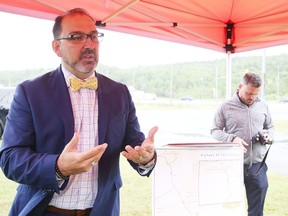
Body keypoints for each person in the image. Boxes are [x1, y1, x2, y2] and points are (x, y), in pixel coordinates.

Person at [0, 8, 158, 216]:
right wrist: (57, 167)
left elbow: (134, 144)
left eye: (93, 36)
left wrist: (146, 157)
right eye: (76, 37)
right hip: (44, 210)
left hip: (101, 211)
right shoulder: (30, 92)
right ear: (57, 47)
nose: (89, 44)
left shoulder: (119, 92)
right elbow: (11, 159)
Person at [211, 72, 274, 216]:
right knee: (230, 208)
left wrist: (269, 136)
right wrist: (231, 138)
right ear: (240, 86)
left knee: (257, 211)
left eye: (256, 94)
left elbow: (270, 127)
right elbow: (214, 130)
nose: (252, 97)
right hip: (232, 164)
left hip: (257, 166)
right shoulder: (225, 106)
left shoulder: (263, 106)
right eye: (249, 93)